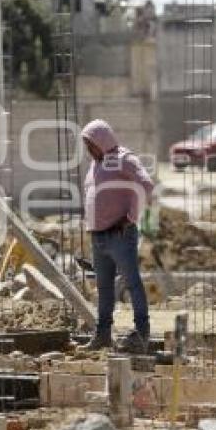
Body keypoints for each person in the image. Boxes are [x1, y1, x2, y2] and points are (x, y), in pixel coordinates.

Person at [80, 119, 155, 354]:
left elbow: (145, 184)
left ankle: (142, 333)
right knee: (103, 288)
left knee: (132, 283)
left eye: (91, 143)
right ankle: (103, 335)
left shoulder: (123, 158)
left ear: (102, 140)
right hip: (99, 237)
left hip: (120, 235)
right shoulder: (96, 164)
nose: (89, 149)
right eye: (86, 145)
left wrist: (130, 217)